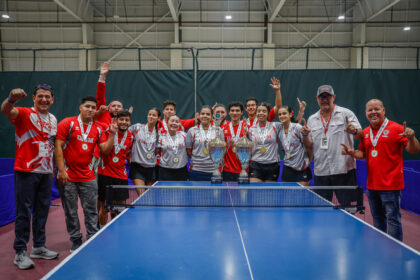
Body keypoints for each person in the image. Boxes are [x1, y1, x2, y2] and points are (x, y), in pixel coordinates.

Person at [342, 99, 420, 241]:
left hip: (391, 186)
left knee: (393, 220)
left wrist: (412, 138)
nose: (373, 112)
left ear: (383, 110)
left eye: (376, 109)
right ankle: (380, 249)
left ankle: (396, 251)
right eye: (370, 110)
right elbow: (362, 153)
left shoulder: (397, 129)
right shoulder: (365, 132)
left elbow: (414, 150)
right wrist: (352, 152)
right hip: (372, 186)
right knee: (377, 220)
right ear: (366, 113)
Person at [1, 85, 59, 269]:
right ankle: (20, 252)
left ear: (52, 99)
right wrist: (11, 99)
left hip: (46, 172)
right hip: (26, 171)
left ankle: (39, 246)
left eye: (47, 97)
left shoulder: (53, 119)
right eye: (40, 96)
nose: (44, 99)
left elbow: (50, 145)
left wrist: (54, 168)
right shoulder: (24, 113)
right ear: (33, 98)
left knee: (42, 211)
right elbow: (6, 110)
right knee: (24, 213)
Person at [55, 96, 117, 252]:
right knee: (70, 211)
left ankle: (92, 237)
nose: (90, 109)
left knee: (90, 210)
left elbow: (105, 149)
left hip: (88, 176)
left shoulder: (98, 128)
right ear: (80, 107)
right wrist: (61, 170)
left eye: (92, 107)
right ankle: (76, 240)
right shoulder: (67, 123)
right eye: (87, 106)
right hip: (68, 176)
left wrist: (112, 134)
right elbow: (58, 146)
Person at [301, 85, 362, 205]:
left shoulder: (346, 113)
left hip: (343, 169)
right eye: (321, 97)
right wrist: (305, 135)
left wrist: (354, 130)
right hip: (321, 170)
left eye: (327, 96)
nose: (324, 99)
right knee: (321, 208)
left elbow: (360, 134)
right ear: (317, 99)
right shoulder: (312, 119)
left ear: (333, 97)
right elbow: (309, 144)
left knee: (347, 208)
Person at [97, 110, 134, 226]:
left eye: (126, 120)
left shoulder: (131, 137)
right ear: (116, 120)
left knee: (120, 207)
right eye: (121, 119)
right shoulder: (107, 132)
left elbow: (127, 152)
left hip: (121, 176)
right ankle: (102, 231)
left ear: (129, 122)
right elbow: (105, 151)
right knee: (104, 207)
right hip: (104, 174)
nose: (124, 122)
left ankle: (118, 230)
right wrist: (112, 134)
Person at [128, 107, 160, 195]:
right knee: (141, 195)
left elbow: (157, 151)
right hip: (137, 167)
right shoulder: (137, 127)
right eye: (150, 114)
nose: (151, 117)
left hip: (151, 168)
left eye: (154, 115)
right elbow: (124, 131)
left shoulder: (158, 134)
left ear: (158, 118)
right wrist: (128, 115)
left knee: (148, 197)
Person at [277, 105, 312, 186]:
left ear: (290, 114)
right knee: (287, 196)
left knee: (302, 196)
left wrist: (309, 160)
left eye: (284, 113)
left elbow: (309, 146)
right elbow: (284, 149)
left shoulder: (297, 127)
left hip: (301, 168)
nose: (282, 116)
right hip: (287, 167)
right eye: (280, 114)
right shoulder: (279, 130)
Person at [186, 106, 223, 181]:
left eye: (208, 114)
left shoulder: (218, 130)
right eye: (202, 114)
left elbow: (221, 149)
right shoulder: (192, 131)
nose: (205, 116)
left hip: (214, 170)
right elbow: (188, 151)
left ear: (212, 117)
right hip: (196, 170)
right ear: (199, 116)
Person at [248, 102, 282, 182]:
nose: (261, 113)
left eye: (264, 111)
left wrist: (300, 113)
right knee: (255, 191)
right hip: (256, 164)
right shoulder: (251, 129)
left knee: (269, 193)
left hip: (272, 165)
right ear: (256, 113)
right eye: (259, 111)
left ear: (268, 114)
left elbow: (290, 124)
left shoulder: (276, 126)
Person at [221, 101, 248, 181]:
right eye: (232, 110)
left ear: (242, 112)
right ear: (229, 112)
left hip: (244, 169)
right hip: (227, 169)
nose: (235, 113)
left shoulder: (247, 128)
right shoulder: (222, 128)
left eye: (237, 110)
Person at [157, 115, 189, 181]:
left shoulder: (184, 135)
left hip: (181, 170)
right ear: (167, 123)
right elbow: (156, 152)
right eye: (172, 121)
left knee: (182, 191)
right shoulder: (161, 137)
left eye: (177, 122)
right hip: (165, 171)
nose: (174, 123)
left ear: (179, 124)